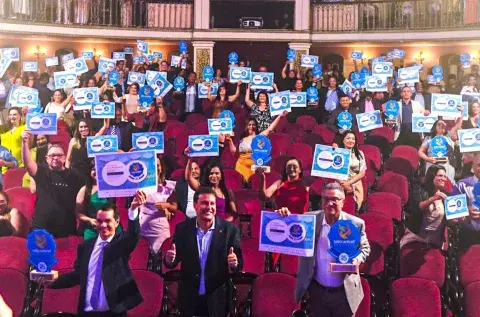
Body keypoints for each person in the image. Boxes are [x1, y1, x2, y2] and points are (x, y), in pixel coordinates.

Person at [275, 182, 370, 317]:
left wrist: (356, 259)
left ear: (343, 202)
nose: (330, 203)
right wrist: (284, 217)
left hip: (345, 293)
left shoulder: (355, 224)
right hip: (317, 292)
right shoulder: (309, 220)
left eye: (335, 199)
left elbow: (365, 248)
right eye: (326, 199)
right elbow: (291, 229)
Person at [43, 194, 146, 316]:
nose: (103, 225)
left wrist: (133, 210)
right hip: (87, 312)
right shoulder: (85, 247)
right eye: (99, 221)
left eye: (108, 221)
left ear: (117, 222)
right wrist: (52, 281)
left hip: (113, 313)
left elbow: (133, 235)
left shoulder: (120, 244)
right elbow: (78, 275)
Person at [164, 187, 243, 317]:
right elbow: (173, 260)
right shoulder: (183, 229)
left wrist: (234, 263)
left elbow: (239, 263)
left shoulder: (230, 231)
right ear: (195, 205)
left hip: (217, 298)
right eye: (204, 203)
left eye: (212, 203)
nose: (209, 207)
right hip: (189, 298)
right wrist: (169, 259)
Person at [22, 130, 84, 238]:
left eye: (59, 155)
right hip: (41, 228)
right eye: (52, 155)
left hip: (66, 229)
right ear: (46, 158)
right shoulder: (41, 171)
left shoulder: (75, 175)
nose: (55, 158)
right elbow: (27, 163)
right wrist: (24, 143)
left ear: (65, 158)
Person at [400, 165, 449, 249]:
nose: (444, 178)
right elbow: (416, 208)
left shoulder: (446, 196)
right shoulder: (419, 190)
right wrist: (432, 199)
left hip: (436, 240)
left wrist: (456, 219)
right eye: (440, 175)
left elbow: (449, 221)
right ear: (432, 176)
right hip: (416, 237)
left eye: (445, 176)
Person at [234, 112, 286, 183]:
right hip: (240, 166)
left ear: (256, 126)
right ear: (246, 126)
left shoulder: (259, 137)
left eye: (253, 125)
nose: (251, 127)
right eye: (249, 125)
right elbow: (235, 152)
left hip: (254, 168)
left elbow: (270, 128)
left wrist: (280, 116)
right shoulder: (242, 139)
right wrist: (230, 141)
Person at [139, 156, 176, 253]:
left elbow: (175, 207)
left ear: (161, 167)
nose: (155, 168)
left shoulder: (170, 185)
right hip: (142, 228)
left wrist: (166, 206)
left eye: (157, 165)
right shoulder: (141, 185)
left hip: (160, 230)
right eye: (152, 166)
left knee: (160, 260)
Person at [76, 163, 122, 240]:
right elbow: (78, 213)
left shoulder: (114, 187)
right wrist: (89, 220)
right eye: (94, 169)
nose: (97, 171)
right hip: (92, 230)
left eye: (100, 169)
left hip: (112, 228)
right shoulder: (84, 190)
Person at [185, 157, 237, 221]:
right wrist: (189, 159)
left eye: (217, 173)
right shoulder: (202, 189)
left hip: (221, 227)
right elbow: (188, 178)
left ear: (221, 176)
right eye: (211, 173)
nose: (214, 176)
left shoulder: (227, 192)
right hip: (205, 224)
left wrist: (226, 222)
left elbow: (234, 213)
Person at [450, 154, 480, 251]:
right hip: (469, 234)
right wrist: (466, 212)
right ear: (473, 167)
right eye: (479, 165)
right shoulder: (462, 185)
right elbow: (451, 210)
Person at [333, 130, 367, 209]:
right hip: (339, 183)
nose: (351, 141)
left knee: (354, 210)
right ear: (343, 140)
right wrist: (343, 184)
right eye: (348, 138)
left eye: (353, 139)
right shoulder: (338, 152)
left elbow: (362, 173)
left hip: (355, 185)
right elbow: (333, 171)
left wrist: (349, 183)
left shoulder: (360, 153)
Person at [1, 107, 26, 173]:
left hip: (19, 165)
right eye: (10, 115)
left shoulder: (24, 128)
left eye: (14, 114)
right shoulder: (4, 130)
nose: (12, 117)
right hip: (4, 167)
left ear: (20, 116)